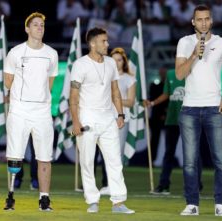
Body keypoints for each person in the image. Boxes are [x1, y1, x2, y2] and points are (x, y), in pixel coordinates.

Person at [175, 5, 222, 216]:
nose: (203, 22)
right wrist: (194, 55)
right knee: (190, 162)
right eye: (199, 19)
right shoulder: (184, 42)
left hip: (214, 108)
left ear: (211, 21)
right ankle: (192, 204)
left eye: (206, 19)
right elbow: (179, 75)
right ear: (193, 22)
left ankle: (221, 204)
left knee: (220, 160)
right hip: (189, 109)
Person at [69, 27, 135, 214]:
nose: (107, 44)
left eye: (107, 41)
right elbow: (73, 97)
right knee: (87, 162)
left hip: (108, 119)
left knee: (115, 161)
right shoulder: (80, 65)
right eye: (104, 41)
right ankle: (93, 201)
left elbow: (115, 92)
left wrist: (120, 115)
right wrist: (75, 122)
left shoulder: (110, 63)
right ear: (92, 43)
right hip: (87, 118)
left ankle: (118, 203)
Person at [4, 12, 58, 211]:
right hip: (19, 111)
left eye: (42, 25)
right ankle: (10, 196)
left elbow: (49, 84)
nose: (39, 28)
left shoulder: (52, 54)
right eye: (35, 25)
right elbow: (8, 81)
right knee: (15, 155)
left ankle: (44, 199)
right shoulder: (15, 52)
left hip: (42, 112)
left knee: (44, 157)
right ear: (27, 29)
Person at [146, 69, 203, 195]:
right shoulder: (171, 74)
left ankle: (196, 184)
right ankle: (163, 185)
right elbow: (166, 94)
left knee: (194, 154)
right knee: (169, 153)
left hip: (190, 120)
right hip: (172, 119)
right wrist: (153, 102)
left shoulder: (195, 72)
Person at [96, 47, 136, 196]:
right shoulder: (103, 76)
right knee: (104, 153)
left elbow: (131, 102)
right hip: (104, 117)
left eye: (119, 60)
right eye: (114, 59)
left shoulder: (129, 79)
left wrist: (116, 100)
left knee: (116, 154)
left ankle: (115, 186)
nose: (117, 63)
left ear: (123, 62)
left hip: (121, 118)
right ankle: (107, 184)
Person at [148, 68, 168, 162]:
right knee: (154, 140)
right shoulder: (154, 86)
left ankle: (167, 160)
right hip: (156, 117)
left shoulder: (169, 86)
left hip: (168, 117)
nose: (163, 74)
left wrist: (165, 113)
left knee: (169, 140)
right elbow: (152, 99)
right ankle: (151, 160)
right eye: (161, 72)